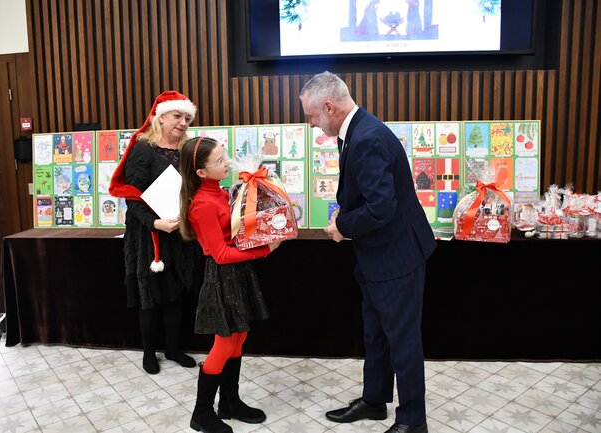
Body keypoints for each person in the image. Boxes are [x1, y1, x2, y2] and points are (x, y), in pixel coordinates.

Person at [300, 71, 436, 433]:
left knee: (402, 340)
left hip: (396, 257)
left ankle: (413, 421)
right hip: (376, 255)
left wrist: (342, 226)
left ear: (329, 107)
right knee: (375, 333)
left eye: (312, 116)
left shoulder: (367, 138)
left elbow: (381, 207)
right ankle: (375, 401)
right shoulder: (358, 131)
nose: (312, 125)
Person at [179, 136, 282, 433]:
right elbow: (221, 254)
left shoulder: (222, 192)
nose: (228, 163)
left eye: (225, 156)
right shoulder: (201, 204)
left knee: (239, 336)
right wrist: (264, 250)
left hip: (239, 273)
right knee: (224, 342)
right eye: (220, 161)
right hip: (222, 276)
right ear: (201, 172)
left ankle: (230, 402)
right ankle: (201, 413)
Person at [109, 90, 202, 374]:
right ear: (161, 118)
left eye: (187, 118)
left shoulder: (188, 150)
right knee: (149, 296)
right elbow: (131, 196)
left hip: (179, 233)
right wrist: (154, 223)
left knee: (176, 293)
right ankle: (149, 353)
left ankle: (172, 349)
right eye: (177, 116)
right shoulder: (143, 149)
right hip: (149, 236)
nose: (183, 123)